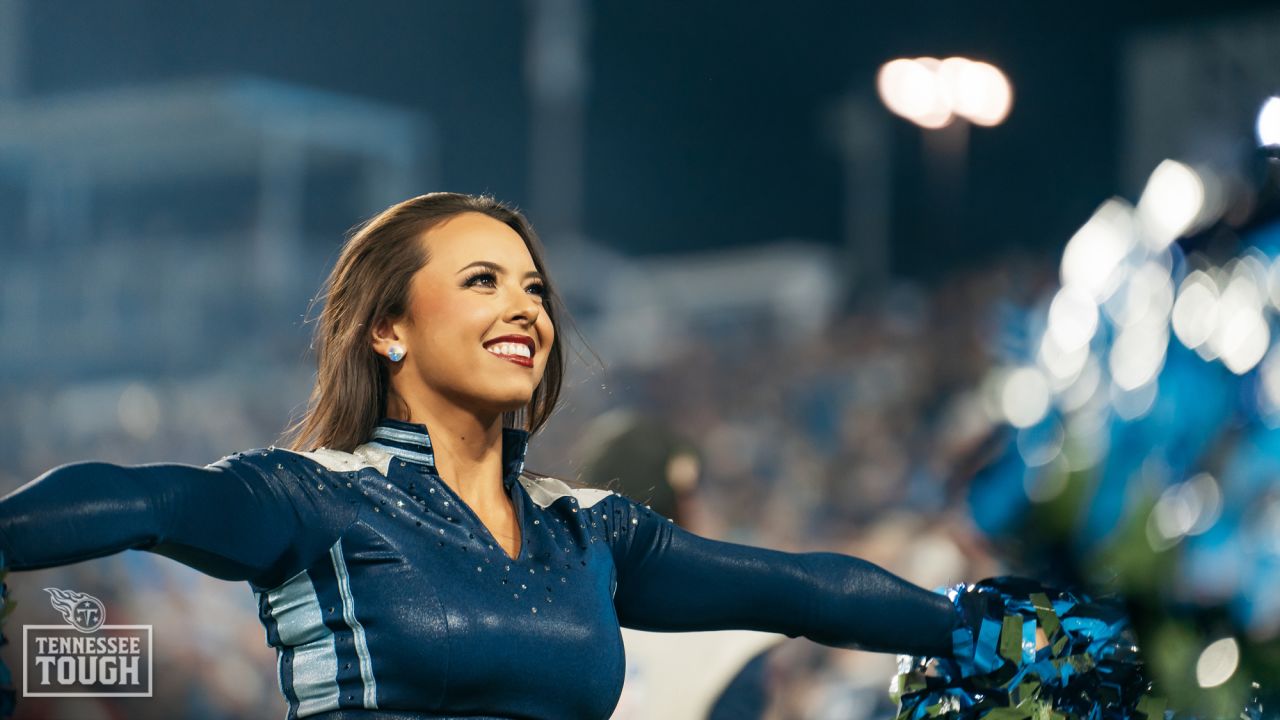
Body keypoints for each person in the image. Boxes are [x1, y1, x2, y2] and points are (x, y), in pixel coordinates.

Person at [0, 192, 964, 720]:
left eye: (535, 288)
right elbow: (142, 500)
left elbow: (801, 591)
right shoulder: (315, 499)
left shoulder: (591, 532)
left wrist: (985, 633)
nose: (526, 307)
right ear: (388, 329)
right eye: (481, 281)